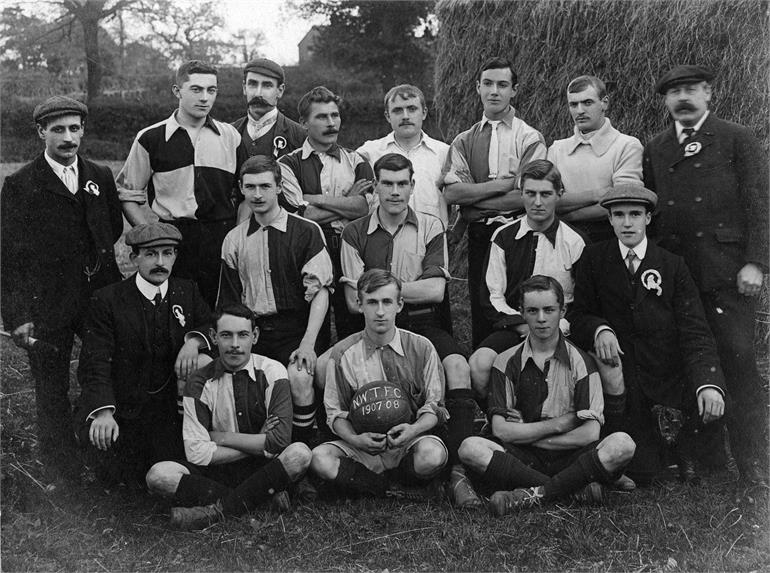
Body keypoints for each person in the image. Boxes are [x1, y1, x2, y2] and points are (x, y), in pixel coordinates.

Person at [643, 64, 768, 483]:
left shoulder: (737, 138)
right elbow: (653, 217)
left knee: (739, 362)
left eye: (691, 89)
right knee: (690, 362)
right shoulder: (657, 148)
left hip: (728, 274)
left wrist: (756, 262)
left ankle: (752, 463)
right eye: (674, 91)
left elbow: (759, 203)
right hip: (682, 275)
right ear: (665, 100)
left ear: (708, 93)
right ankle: (707, 460)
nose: (682, 98)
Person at [335, 153, 481, 508]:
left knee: (459, 366)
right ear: (376, 188)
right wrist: (400, 292)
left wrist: (381, 291)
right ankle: (342, 458)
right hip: (373, 327)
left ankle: (460, 471)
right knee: (324, 366)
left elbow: (436, 291)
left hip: (423, 322)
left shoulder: (431, 226)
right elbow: (356, 302)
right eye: (387, 183)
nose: (395, 191)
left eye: (403, 183)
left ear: (413, 186)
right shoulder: (354, 233)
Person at [568, 184, 726, 484]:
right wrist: (600, 328)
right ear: (610, 219)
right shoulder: (594, 258)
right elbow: (578, 315)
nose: (627, 223)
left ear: (648, 219)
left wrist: (709, 383)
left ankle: (679, 448)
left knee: (684, 463)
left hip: (666, 374)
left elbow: (695, 330)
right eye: (619, 215)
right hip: (624, 375)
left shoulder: (671, 264)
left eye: (635, 214)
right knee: (642, 471)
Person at [1, 96, 124, 472]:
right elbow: (7, 258)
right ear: (42, 132)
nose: (68, 138)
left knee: (106, 369)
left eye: (74, 128)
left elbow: (112, 227)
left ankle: (106, 454)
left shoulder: (99, 175)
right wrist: (18, 315)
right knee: (51, 387)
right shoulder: (21, 184)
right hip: (48, 304)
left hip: (97, 298)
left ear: (83, 130)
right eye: (58, 130)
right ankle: (62, 472)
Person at [458, 275, 636, 516]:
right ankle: (572, 489)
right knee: (470, 447)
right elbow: (501, 431)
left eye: (549, 310)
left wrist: (526, 434)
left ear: (562, 311)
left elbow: (589, 433)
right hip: (525, 457)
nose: (541, 319)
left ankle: (533, 495)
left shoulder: (581, 361)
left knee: (623, 444)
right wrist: (560, 423)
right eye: (532, 310)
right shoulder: (505, 361)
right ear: (521, 312)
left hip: (570, 455)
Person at [145, 303, 312, 530]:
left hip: (262, 467)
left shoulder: (273, 372)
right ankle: (260, 499)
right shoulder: (198, 381)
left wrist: (219, 437)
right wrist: (256, 439)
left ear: (254, 336)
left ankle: (216, 512)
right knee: (158, 475)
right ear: (213, 337)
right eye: (226, 335)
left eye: (242, 335)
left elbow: (278, 442)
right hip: (218, 472)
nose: (235, 344)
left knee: (299, 454)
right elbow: (196, 453)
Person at [75, 223, 212, 485]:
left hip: (168, 411)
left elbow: (212, 325)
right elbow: (95, 361)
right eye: (151, 254)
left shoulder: (187, 291)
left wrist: (194, 341)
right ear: (133, 258)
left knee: (164, 468)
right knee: (120, 479)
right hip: (125, 407)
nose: (160, 262)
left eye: (168, 253)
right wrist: (103, 411)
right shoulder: (108, 299)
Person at [217, 155, 333, 447]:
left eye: (265, 186)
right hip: (255, 332)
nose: (257, 194)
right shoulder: (234, 240)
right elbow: (230, 301)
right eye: (250, 187)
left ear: (279, 187)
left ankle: (303, 451)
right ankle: (260, 456)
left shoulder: (306, 231)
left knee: (299, 377)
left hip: (298, 329)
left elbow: (320, 291)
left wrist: (308, 342)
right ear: (241, 189)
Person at [310, 270, 449, 499]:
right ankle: (385, 488)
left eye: (387, 302)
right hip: (364, 445)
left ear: (400, 304)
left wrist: (412, 430)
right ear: (359, 304)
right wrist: (356, 440)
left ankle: (389, 482)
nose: (381, 312)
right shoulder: (343, 353)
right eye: (372, 302)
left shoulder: (422, 348)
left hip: (408, 442)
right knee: (319, 458)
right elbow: (334, 413)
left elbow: (435, 406)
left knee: (432, 455)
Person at [117, 60, 241, 307]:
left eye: (211, 90)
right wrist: (155, 236)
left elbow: (247, 194)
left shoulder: (230, 135)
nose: (205, 98)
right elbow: (128, 195)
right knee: (176, 311)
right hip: (174, 237)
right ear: (177, 91)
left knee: (222, 311)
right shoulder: (150, 138)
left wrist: (239, 236)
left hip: (223, 235)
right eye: (196, 89)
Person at [443, 57, 547, 347]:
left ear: (514, 90)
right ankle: (483, 380)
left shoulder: (530, 138)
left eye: (502, 85)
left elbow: (528, 197)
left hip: (517, 234)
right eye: (487, 84)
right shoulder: (463, 141)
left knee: (516, 309)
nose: (494, 91)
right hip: (480, 237)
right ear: (478, 87)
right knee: (482, 309)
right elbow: (452, 194)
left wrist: (475, 200)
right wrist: (502, 185)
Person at [469, 159, 585, 400]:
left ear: (559, 194)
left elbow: (582, 300)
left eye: (546, 194)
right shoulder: (503, 236)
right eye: (530, 193)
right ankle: (498, 418)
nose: (538, 202)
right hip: (516, 327)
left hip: (561, 329)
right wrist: (522, 324)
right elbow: (492, 295)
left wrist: (556, 326)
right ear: (521, 194)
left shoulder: (575, 241)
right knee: (479, 364)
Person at [278, 86, 375, 342]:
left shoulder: (357, 160)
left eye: (335, 115)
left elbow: (364, 208)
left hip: (350, 249)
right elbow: (302, 215)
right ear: (304, 123)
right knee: (311, 326)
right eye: (322, 117)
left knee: (353, 324)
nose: (331, 123)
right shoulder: (287, 164)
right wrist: (346, 201)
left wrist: (317, 198)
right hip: (306, 250)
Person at [547, 75, 643, 243]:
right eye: (573, 104)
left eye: (587, 102)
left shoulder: (627, 146)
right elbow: (547, 200)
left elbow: (622, 202)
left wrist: (569, 214)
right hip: (564, 240)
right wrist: (597, 195)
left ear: (604, 103)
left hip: (609, 239)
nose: (580, 111)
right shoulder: (557, 149)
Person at [357, 84, 450, 225]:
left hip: (431, 240)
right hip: (382, 240)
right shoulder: (369, 152)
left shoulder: (444, 153)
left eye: (412, 109)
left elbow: (458, 201)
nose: (405, 116)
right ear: (388, 116)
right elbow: (355, 200)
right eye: (398, 111)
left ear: (424, 113)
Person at [231, 58, 304, 190]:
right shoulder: (229, 133)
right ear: (244, 88)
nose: (258, 93)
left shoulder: (300, 136)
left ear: (280, 91)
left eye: (267, 85)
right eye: (252, 84)